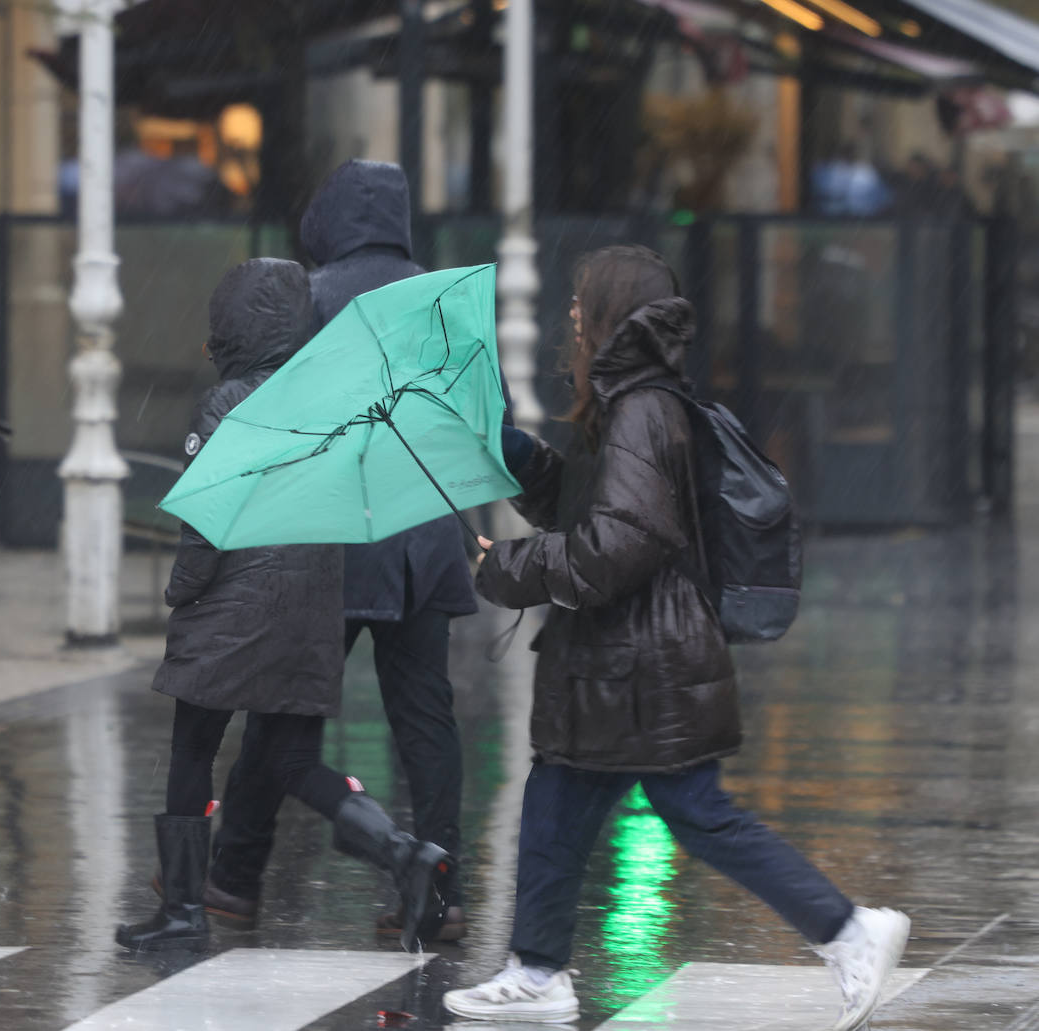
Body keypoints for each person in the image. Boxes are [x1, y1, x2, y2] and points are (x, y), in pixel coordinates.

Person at [443, 245, 909, 1028]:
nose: (570, 312)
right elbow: (590, 506)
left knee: (697, 813)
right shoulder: (628, 402)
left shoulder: (641, 409)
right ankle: (537, 971)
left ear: (610, 312)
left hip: (643, 663)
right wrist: (516, 456)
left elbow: (621, 542)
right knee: (556, 802)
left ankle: (851, 929)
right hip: (615, 664)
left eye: (581, 298)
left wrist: (511, 568)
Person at [115, 257, 449, 954]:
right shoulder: (330, 399)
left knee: (193, 747)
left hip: (232, 603)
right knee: (293, 760)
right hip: (311, 607)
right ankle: (402, 853)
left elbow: (207, 516)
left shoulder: (228, 401)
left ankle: (181, 907)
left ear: (233, 327)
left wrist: (182, 589)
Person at [201, 159, 477, 942]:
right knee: (427, 718)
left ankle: (234, 877)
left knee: (282, 713)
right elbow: (475, 417)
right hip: (423, 535)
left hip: (330, 541)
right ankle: (442, 885)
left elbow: (273, 406)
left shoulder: (308, 297)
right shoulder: (440, 301)